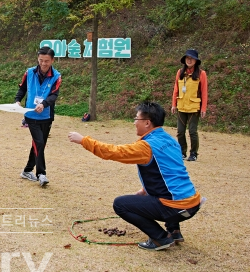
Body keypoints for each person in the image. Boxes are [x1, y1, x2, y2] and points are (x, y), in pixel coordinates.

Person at [68, 102, 202, 251]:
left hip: (175, 207)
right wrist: (145, 190)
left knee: (120, 204)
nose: (134, 122)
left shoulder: (146, 146)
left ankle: (161, 238)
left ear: (147, 123)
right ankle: (174, 231)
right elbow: (169, 173)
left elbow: (113, 152)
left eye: (136, 119)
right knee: (161, 197)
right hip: (192, 204)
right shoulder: (170, 141)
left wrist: (83, 140)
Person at [14, 47, 62, 187]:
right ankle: (41, 174)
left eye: (46, 61)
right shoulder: (29, 72)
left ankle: (27, 170)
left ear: (52, 60)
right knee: (39, 143)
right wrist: (17, 100)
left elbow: (54, 94)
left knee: (39, 144)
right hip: (31, 114)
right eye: (41, 60)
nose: (43, 64)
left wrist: (44, 104)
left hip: (46, 115)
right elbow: (22, 88)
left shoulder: (56, 76)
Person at [171, 49, 208, 162]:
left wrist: (203, 108)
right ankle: (182, 152)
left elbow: (204, 92)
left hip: (194, 107)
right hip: (181, 106)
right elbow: (176, 90)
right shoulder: (180, 72)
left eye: (191, 58)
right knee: (180, 131)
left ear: (196, 61)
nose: (189, 60)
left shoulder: (201, 74)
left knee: (192, 131)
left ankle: (193, 153)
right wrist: (173, 104)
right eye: (187, 58)